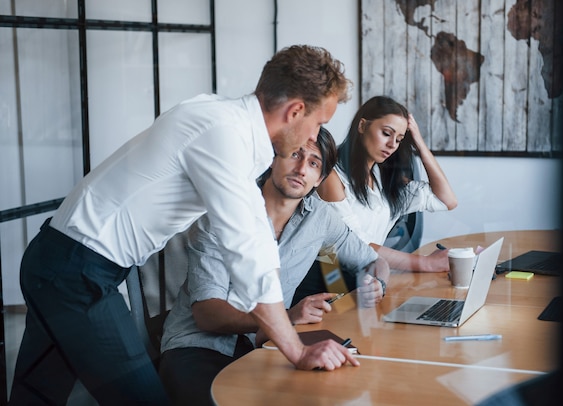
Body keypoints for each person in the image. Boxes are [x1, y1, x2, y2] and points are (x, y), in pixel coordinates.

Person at [9, 45, 355, 405]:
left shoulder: (225, 123)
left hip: (64, 262)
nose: (314, 135)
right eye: (318, 123)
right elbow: (249, 252)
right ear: (295, 111)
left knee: (35, 395)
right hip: (76, 272)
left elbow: (254, 229)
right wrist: (297, 351)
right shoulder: (223, 136)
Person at [158, 127, 389, 405]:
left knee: (339, 389)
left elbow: (373, 261)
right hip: (198, 346)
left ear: (320, 179)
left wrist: (377, 283)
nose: (302, 169)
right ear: (272, 158)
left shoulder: (321, 218)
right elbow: (207, 315)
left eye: (314, 163)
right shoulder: (226, 215)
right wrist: (284, 318)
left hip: (268, 345)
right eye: (294, 155)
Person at [293, 96, 457, 302]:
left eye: (399, 139)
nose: (392, 144)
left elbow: (446, 200)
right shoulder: (332, 177)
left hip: (364, 278)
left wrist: (419, 143)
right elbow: (355, 246)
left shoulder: (383, 179)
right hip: (328, 281)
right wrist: (426, 263)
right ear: (362, 125)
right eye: (386, 133)